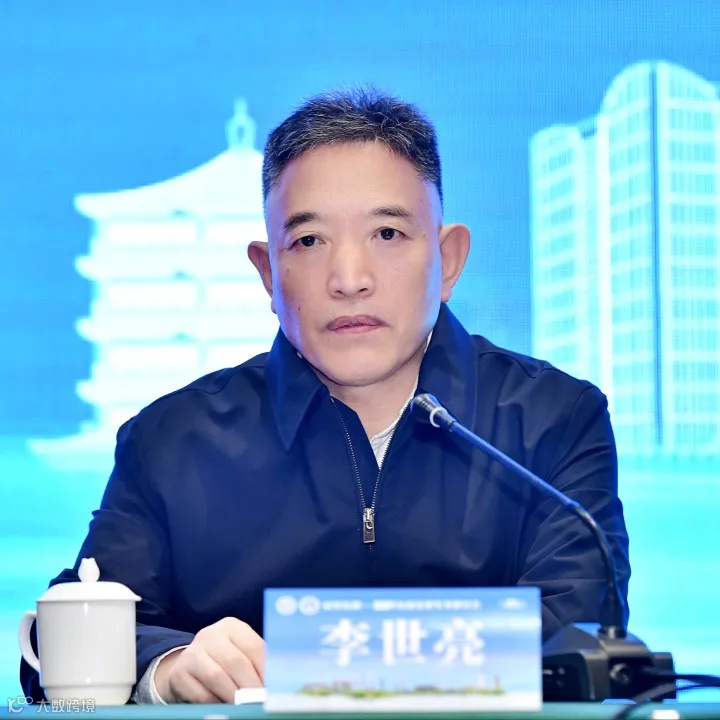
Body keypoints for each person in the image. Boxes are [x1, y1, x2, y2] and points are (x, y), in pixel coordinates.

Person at [21, 87, 630, 704]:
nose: (349, 280)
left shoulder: (552, 419)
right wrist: (169, 667)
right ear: (268, 272)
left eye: (387, 233)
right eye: (309, 241)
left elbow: (579, 637)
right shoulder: (174, 440)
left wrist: (312, 663)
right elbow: (61, 647)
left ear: (448, 261)